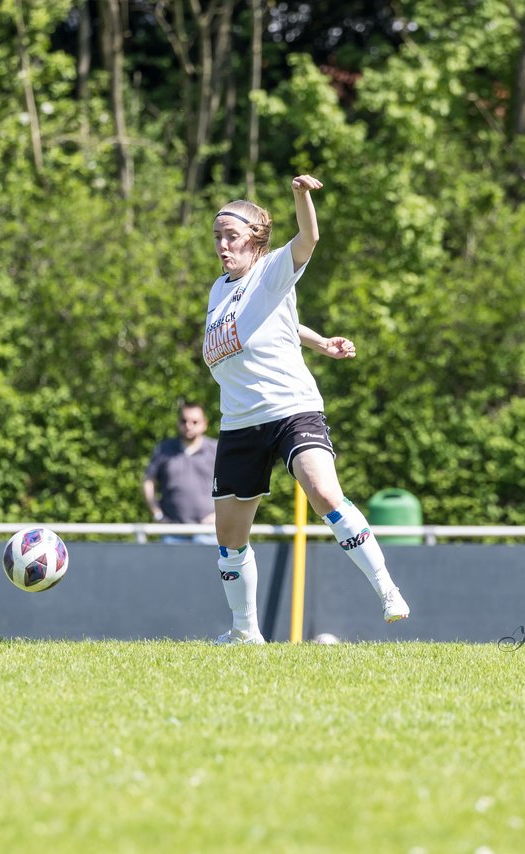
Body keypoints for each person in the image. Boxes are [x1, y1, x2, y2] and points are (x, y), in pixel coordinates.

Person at [202, 174, 410, 644]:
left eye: (230, 236)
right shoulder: (220, 290)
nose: (221, 245)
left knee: (323, 493)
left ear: (255, 240)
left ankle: (388, 590)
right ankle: (244, 632)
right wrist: (320, 342)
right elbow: (280, 322)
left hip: (290, 408)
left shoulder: (272, 267)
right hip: (238, 422)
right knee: (229, 538)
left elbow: (309, 238)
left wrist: (301, 198)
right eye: (217, 237)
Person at [143, 403, 218, 543]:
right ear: (178, 422)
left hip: (210, 532)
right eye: (184, 421)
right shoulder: (163, 450)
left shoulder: (216, 450)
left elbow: (234, 485)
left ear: (204, 423)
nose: (188, 425)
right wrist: (157, 514)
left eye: (194, 421)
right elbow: (148, 481)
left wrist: (219, 515)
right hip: (172, 532)